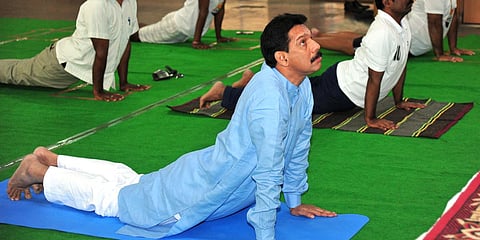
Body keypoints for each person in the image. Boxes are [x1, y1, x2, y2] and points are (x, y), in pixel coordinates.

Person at [7, 13, 336, 239]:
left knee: (134, 180)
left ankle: (57, 160)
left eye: (310, 38)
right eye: (303, 42)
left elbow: (299, 145)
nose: (315, 46)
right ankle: (40, 173)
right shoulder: (269, 99)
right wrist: (266, 233)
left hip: (204, 174)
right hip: (198, 191)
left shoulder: (300, 86)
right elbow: (268, 171)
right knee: (114, 201)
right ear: (281, 58)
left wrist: (293, 201)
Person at [201, 0, 426, 131]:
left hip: (342, 81)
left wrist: (398, 102)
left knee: (292, 90)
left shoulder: (401, 25)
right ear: (387, 2)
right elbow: (374, 78)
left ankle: (251, 81)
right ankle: (226, 93)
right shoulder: (381, 33)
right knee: (285, 104)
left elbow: (400, 65)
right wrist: (371, 119)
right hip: (341, 90)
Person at [0, 0, 150, 102]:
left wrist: (124, 83)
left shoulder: (130, 2)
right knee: (14, 73)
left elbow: (125, 42)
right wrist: (99, 92)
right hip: (60, 65)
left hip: (77, 68)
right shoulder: (96, 5)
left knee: (18, 67)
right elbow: (101, 52)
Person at [313, 0, 475, 62]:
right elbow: (434, 22)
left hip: (412, 40)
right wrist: (440, 54)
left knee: (362, 39)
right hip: (407, 39)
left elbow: (452, 17)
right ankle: (315, 41)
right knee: (357, 46)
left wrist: (453, 48)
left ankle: (320, 35)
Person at [130, 0, 237, 49]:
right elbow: (202, 11)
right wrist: (196, 41)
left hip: (184, 31)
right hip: (176, 26)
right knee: (137, 36)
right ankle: (124, 29)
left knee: (149, 31)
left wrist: (219, 37)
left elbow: (219, 9)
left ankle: (132, 27)